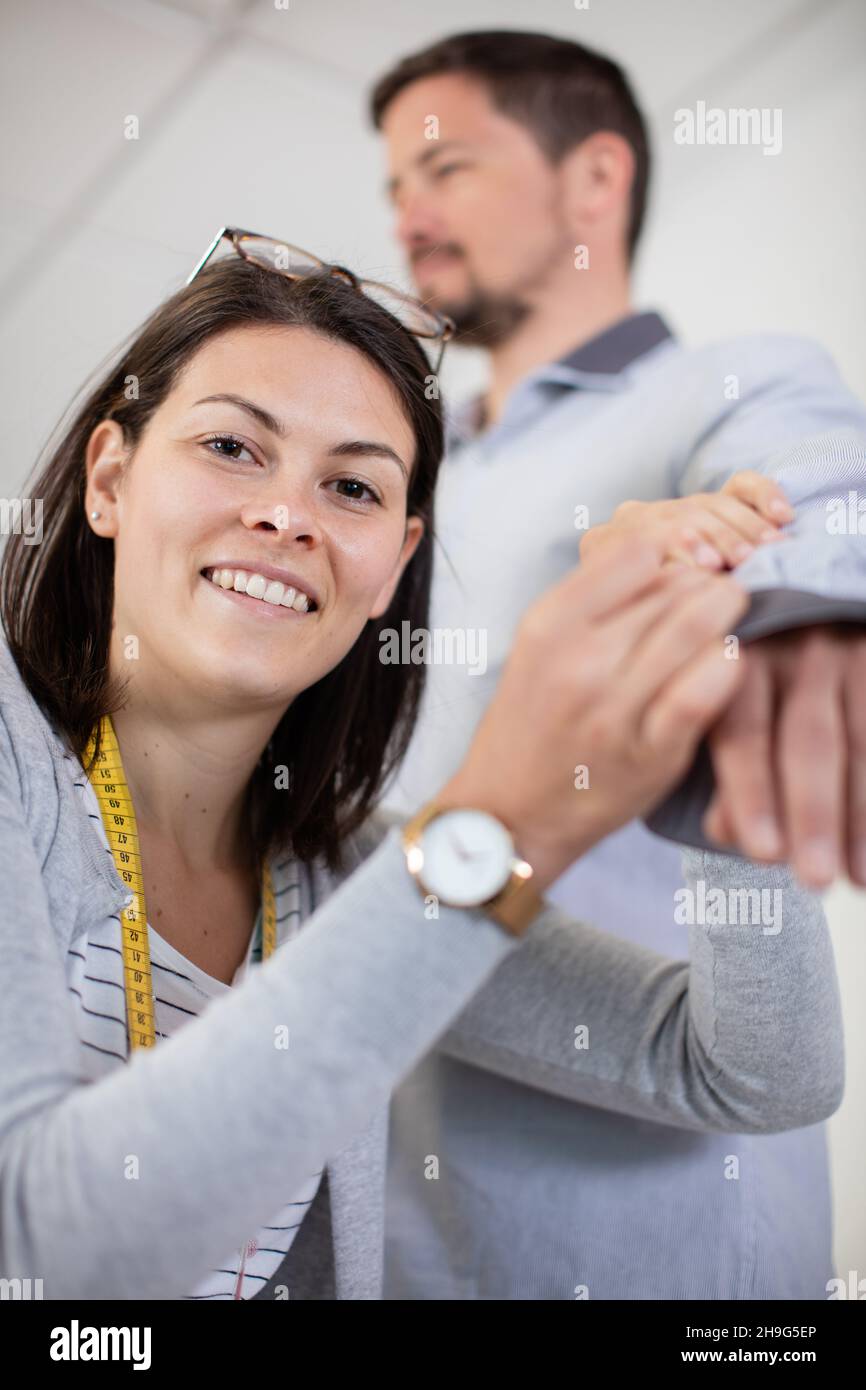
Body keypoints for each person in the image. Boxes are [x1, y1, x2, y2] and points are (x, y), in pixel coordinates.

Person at [0, 238, 845, 1302]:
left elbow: (751, 1073)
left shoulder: (347, 875)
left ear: (391, 564)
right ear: (109, 480)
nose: (286, 516)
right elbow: (40, 1246)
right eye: (231, 446)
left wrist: (718, 794)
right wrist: (501, 817)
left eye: (350, 485)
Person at [370, 29, 866, 1299]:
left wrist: (791, 621)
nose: (406, 213)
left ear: (594, 179)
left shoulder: (720, 389)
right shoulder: (404, 471)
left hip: (666, 1221)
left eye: (444, 167)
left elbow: (820, 495)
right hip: (403, 1214)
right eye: (392, 187)